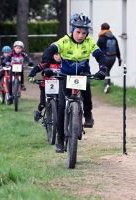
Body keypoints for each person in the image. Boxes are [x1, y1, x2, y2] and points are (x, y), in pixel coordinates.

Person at [39, 13, 108, 153]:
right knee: (61, 105)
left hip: (82, 73)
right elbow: (49, 50)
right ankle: (59, 139)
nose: (81, 35)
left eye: (84, 32)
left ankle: (88, 114)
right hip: (66, 74)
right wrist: (46, 67)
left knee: (87, 89)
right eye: (78, 32)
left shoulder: (89, 42)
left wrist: (103, 69)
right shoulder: (65, 41)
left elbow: (100, 55)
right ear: (72, 30)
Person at [28, 52, 61, 122]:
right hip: (45, 85)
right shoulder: (47, 63)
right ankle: (38, 111)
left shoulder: (64, 64)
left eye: (60, 55)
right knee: (43, 103)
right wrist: (31, 76)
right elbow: (36, 68)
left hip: (59, 86)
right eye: (56, 55)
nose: (59, 57)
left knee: (60, 104)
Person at [97, 22, 122, 93]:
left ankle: (107, 85)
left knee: (105, 71)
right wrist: (119, 58)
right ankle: (107, 85)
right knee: (107, 71)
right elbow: (117, 48)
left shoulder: (102, 37)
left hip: (105, 58)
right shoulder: (113, 37)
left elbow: (96, 47)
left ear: (102, 29)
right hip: (113, 58)